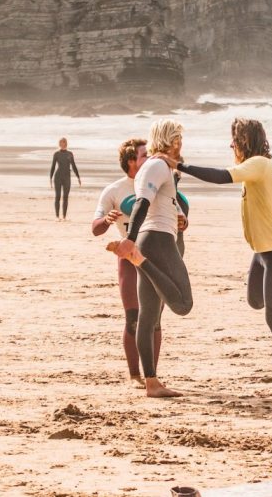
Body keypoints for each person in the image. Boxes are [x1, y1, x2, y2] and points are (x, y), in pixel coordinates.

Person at [157, 117, 272, 396]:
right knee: (256, 300)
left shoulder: (259, 165)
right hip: (261, 252)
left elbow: (221, 176)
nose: (231, 144)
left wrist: (178, 165)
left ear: (245, 141)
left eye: (234, 139)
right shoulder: (264, 168)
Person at [111, 120, 193, 398]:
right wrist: (130, 241)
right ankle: (139, 260)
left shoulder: (161, 166)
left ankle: (152, 383)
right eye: (178, 139)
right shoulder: (156, 166)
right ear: (169, 140)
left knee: (147, 317)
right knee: (183, 304)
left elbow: (159, 202)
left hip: (155, 236)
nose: (181, 144)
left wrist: (179, 217)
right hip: (156, 240)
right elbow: (142, 203)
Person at [92, 139, 151, 388]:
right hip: (128, 258)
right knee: (133, 317)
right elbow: (95, 229)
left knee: (154, 319)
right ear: (131, 161)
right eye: (144, 155)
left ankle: (152, 375)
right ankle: (135, 375)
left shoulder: (156, 185)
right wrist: (106, 220)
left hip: (154, 258)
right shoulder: (115, 190)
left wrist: (184, 222)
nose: (150, 159)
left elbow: (178, 215)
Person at [50, 137, 81, 221]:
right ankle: (57, 216)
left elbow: (73, 166)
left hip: (67, 177)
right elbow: (53, 166)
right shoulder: (56, 154)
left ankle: (64, 217)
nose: (63, 144)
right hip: (58, 177)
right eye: (62, 142)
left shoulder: (70, 154)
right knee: (58, 196)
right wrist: (50, 178)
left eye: (65, 142)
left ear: (66, 144)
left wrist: (78, 177)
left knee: (66, 197)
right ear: (59, 144)